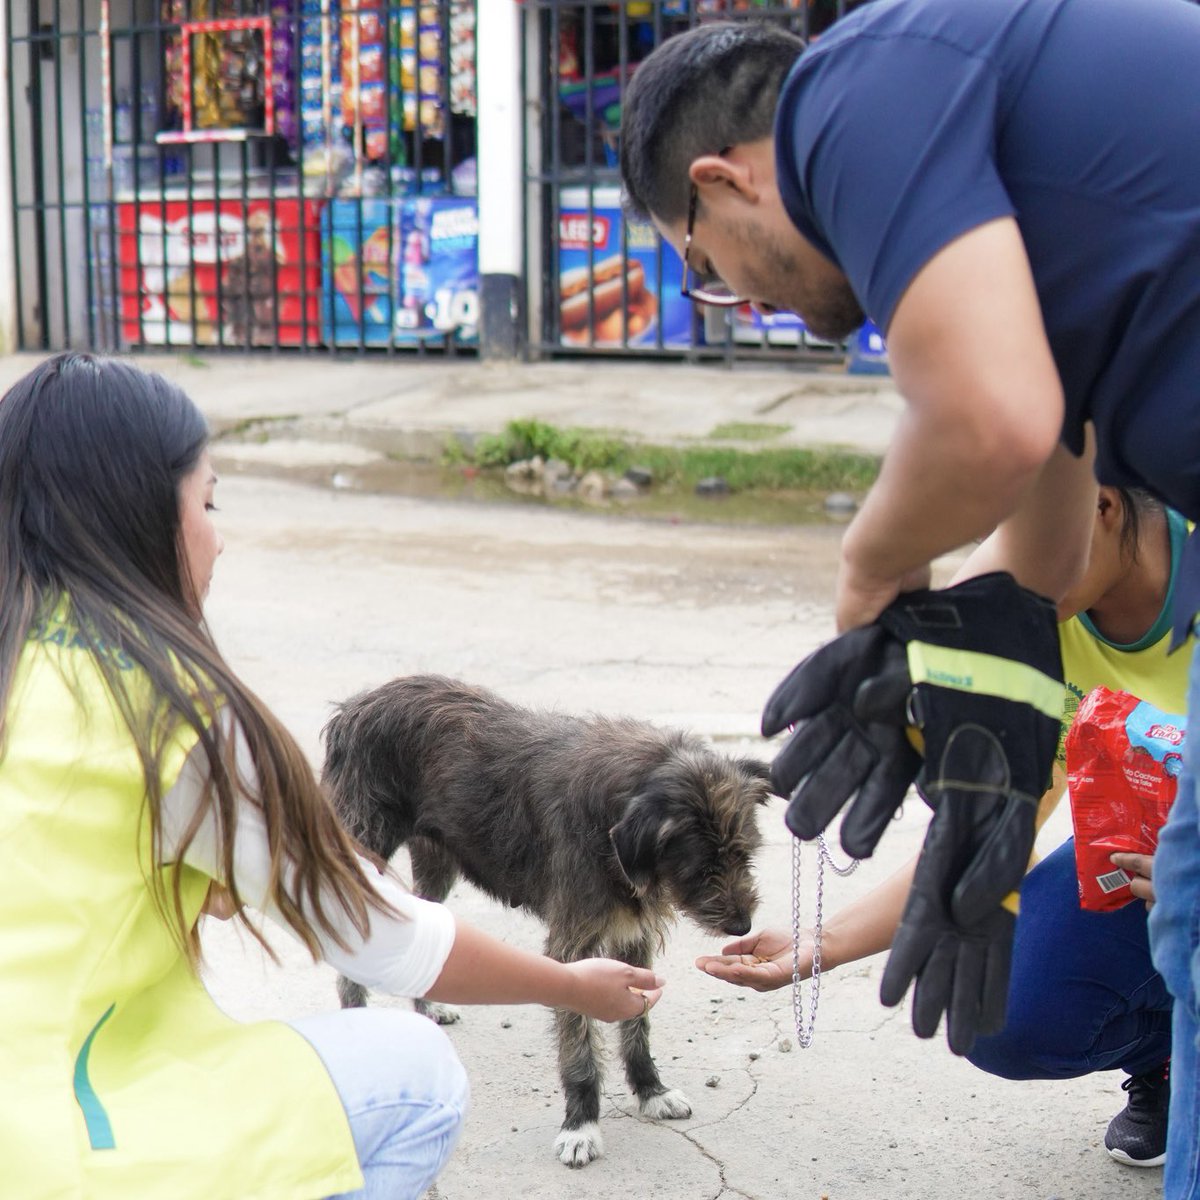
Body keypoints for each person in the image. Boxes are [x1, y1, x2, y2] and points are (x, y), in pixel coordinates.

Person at [619, 4, 1200, 1193]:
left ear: (721, 183)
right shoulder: (1036, 247)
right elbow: (1043, 512)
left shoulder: (857, 88)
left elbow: (989, 419)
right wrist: (967, 689)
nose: (742, 300)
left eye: (705, 269)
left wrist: (871, 573)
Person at [0, 352, 665, 1200]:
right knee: (416, 1070)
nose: (220, 534)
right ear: (137, 516)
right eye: (207, 501)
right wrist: (571, 984)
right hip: (54, 1151)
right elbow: (385, 937)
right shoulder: (170, 711)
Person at [698, 487, 1185, 1168]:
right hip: (1158, 866)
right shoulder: (1039, 620)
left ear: (1098, 502)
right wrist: (822, 941)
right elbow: (985, 837)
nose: (1015, 586)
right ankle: (1168, 1053)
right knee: (1008, 1011)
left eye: (1027, 550)